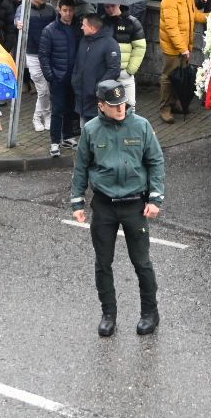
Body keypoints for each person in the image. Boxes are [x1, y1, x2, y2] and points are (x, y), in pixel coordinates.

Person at [70, 79, 165, 337]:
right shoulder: (91, 131)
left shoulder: (141, 126)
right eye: (114, 105)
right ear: (101, 106)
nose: (120, 109)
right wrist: (77, 201)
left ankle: (150, 313)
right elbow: (81, 168)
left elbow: (155, 162)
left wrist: (155, 199)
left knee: (142, 263)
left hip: (135, 205)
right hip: (104, 206)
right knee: (103, 263)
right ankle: (108, 315)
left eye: (123, 103)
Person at [158, 0, 205, 124]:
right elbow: (171, 28)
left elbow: (194, 15)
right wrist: (182, 48)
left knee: (181, 77)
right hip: (174, 48)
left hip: (185, 46)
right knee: (168, 77)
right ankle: (165, 109)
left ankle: (176, 103)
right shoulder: (170, 0)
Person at [38, 0, 83, 154]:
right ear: (59, 10)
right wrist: (50, 75)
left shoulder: (79, 28)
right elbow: (43, 56)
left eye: (70, 10)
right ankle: (55, 142)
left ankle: (68, 136)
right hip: (58, 77)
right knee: (57, 110)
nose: (68, 13)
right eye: (65, 10)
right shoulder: (50, 30)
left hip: (74, 76)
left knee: (71, 108)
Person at [72, 10, 122, 129]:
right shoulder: (84, 40)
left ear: (92, 28)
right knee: (84, 127)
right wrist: (75, 80)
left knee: (98, 129)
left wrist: (98, 87)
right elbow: (78, 63)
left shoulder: (110, 44)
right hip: (82, 96)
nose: (81, 27)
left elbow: (114, 70)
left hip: (97, 98)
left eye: (83, 25)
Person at [19, 0, 57, 133]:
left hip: (48, 54)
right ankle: (41, 117)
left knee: (47, 88)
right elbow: (17, 19)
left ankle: (43, 117)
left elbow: (57, 26)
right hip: (33, 54)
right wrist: (18, 23)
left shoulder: (50, 10)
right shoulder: (24, 9)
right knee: (43, 89)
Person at [105, 2, 146, 107]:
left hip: (124, 74)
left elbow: (140, 47)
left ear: (119, 4)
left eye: (112, 5)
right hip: (107, 73)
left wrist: (130, 70)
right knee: (109, 107)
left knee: (130, 106)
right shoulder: (103, 22)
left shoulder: (132, 23)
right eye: (107, 7)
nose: (110, 9)